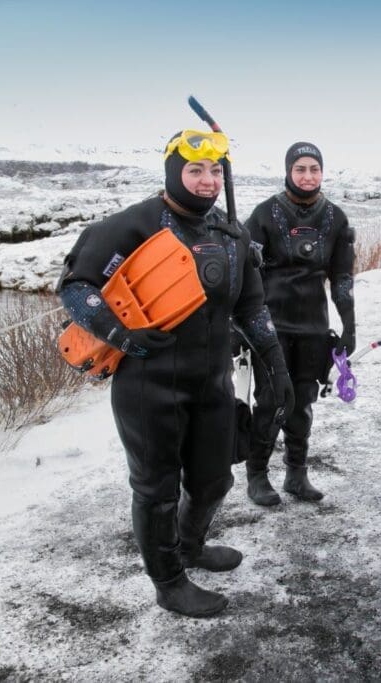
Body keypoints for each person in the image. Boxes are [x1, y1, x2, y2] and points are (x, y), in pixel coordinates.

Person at [56, 129, 294, 619]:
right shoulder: (134, 225)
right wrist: (121, 334)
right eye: (195, 170)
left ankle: (189, 546)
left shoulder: (230, 234)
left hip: (211, 382)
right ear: (173, 172)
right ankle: (167, 582)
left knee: (214, 481)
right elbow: (76, 287)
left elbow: (251, 307)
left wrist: (275, 363)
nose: (208, 181)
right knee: (156, 490)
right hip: (149, 385)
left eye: (215, 171)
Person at [241, 142, 356, 506]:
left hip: (313, 327)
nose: (308, 176)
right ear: (288, 171)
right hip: (270, 327)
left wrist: (349, 326)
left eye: (314, 169)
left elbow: (342, 277)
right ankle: (257, 475)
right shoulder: (264, 214)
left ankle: (296, 473)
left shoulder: (335, 218)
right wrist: (238, 325)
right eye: (300, 169)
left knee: (303, 402)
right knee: (271, 400)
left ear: (322, 172)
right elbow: (244, 275)